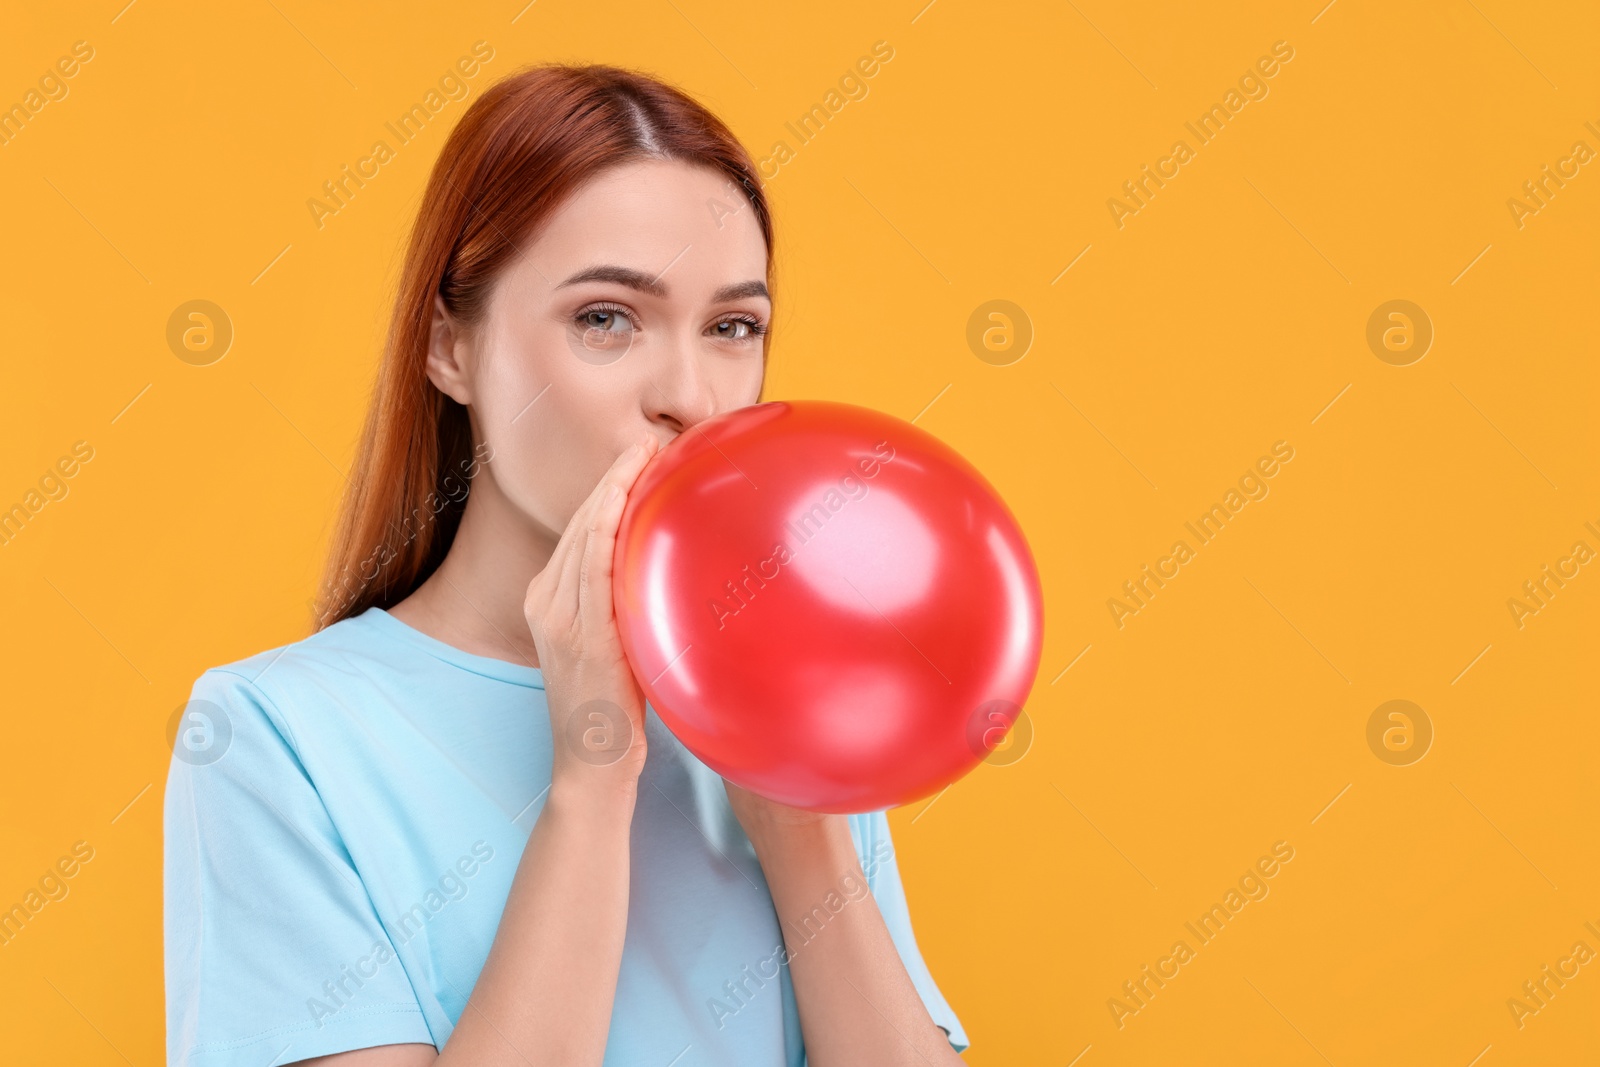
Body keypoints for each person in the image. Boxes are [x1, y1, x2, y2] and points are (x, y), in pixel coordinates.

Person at [163, 63, 968, 1066]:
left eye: (732, 327)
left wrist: (797, 819)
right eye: (606, 317)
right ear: (448, 345)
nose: (689, 394)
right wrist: (593, 775)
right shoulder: (274, 740)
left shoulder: (791, 700)